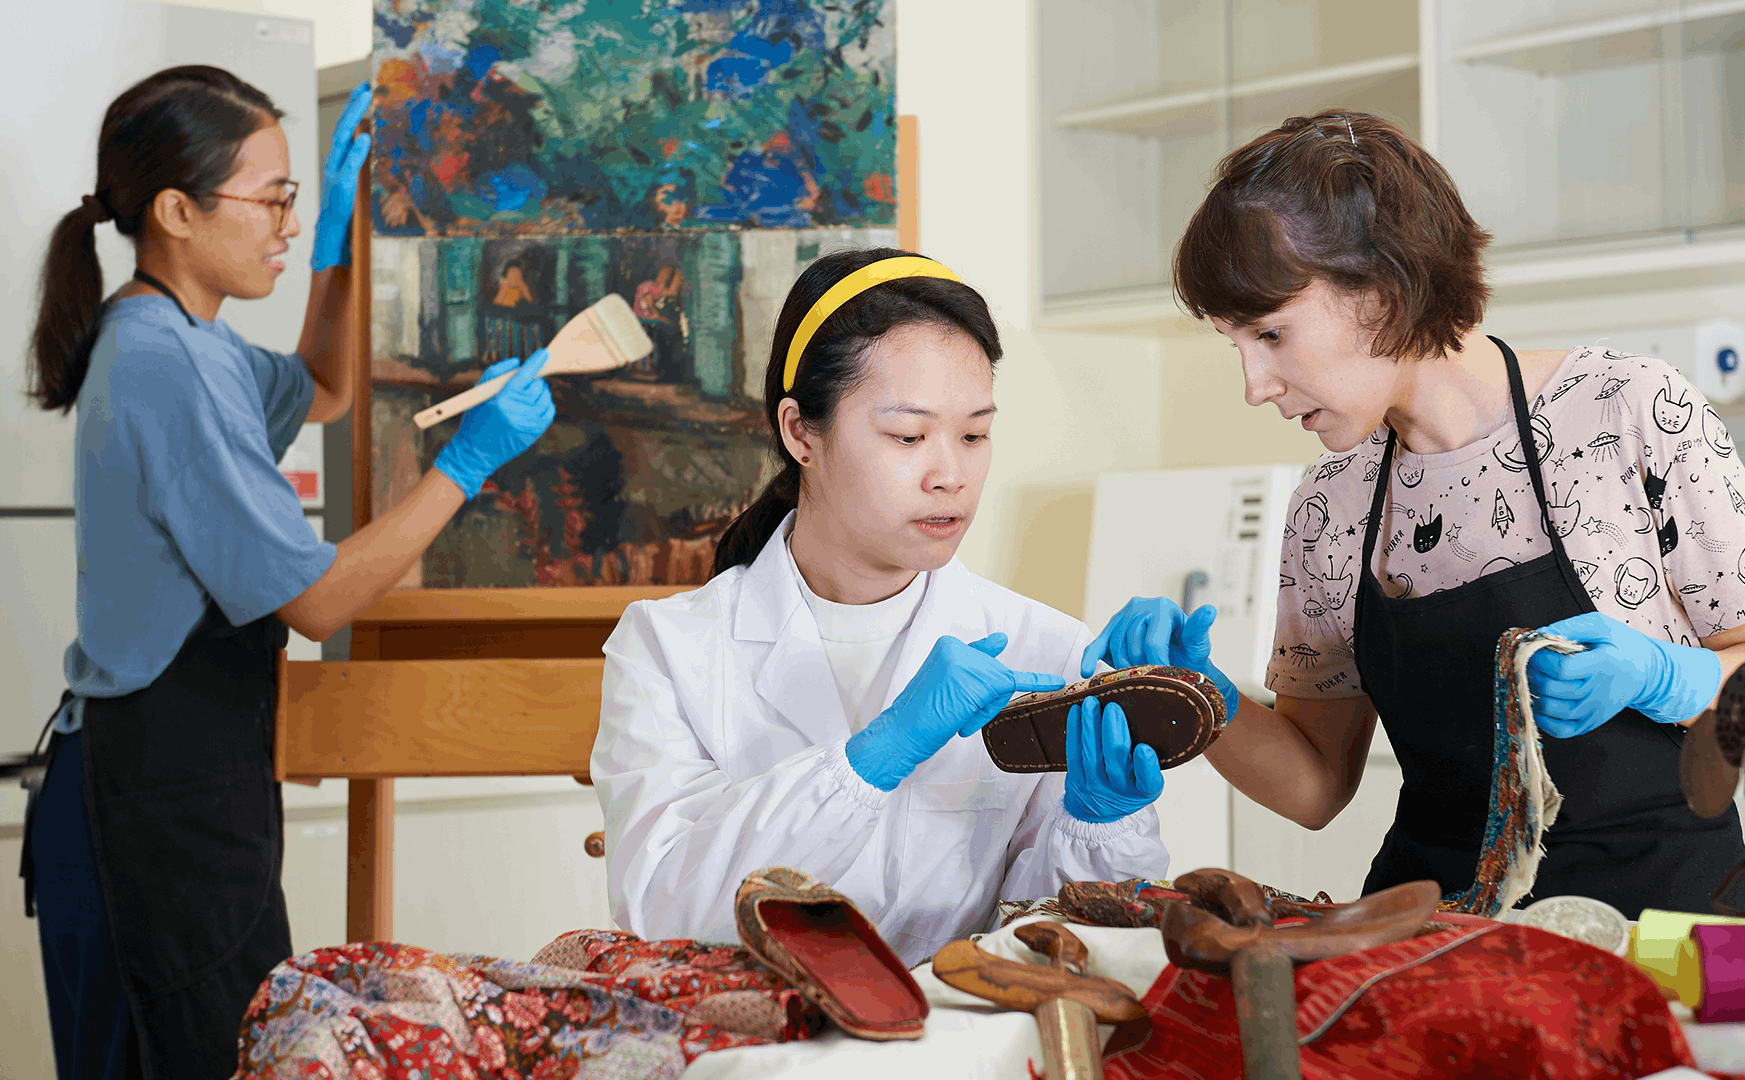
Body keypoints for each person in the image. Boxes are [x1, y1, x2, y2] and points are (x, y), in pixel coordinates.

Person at [1084, 110, 1745, 919]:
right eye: (1236, 345)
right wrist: (1199, 695)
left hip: (1666, 929)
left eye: (1271, 333)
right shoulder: (1330, 505)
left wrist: (1672, 677)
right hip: (1431, 937)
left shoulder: (1628, 410)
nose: (1254, 383)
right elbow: (1317, 781)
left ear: (1383, 293)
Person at [23, 67, 556, 1080]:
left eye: (293, 199)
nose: (283, 219)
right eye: (270, 198)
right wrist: (467, 466)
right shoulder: (160, 363)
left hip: (190, 779)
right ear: (177, 211)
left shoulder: (195, 343)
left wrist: (337, 249)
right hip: (149, 798)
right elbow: (318, 598)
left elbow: (324, 387)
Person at [593, 248, 1170, 966]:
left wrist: (1098, 831)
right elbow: (662, 907)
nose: (950, 476)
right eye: (907, 436)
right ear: (801, 431)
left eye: (974, 434)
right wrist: (873, 758)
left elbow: (1059, 952)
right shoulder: (668, 649)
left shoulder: (1041, 647)